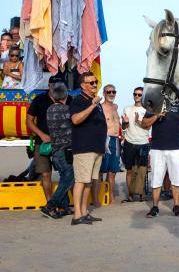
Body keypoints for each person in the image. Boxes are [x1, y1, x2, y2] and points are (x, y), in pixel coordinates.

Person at [141, 99, 179, 218]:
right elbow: (144, 124)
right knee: (156, 179)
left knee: (176, 179)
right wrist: (156, 115)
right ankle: (155, 207)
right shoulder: (154, 103)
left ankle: (176, 206)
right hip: (157, 148)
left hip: (176, 148)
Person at [27, 76, 73, 203]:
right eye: (54, 84)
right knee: (45, 174)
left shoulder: (68, 98)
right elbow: (29, 122)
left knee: (66, 174)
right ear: (49, 85)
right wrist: (41, 134)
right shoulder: (39, 99)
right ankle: (50, 203)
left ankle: (63, 204)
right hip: (42, 142)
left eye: (59, 83)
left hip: (63, 144)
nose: (56, 86)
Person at [69, 72, 106, 225]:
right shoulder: (78, 100)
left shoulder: (95, 102)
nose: (95, 85)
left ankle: (84, 212)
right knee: (81, 181)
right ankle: (77, 215)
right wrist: (92, 106)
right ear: (83, 85)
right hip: (84, 148)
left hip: (96, 148)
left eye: (96, 82)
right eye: (91, 83)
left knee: (89, 182)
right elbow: (75, 119)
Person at [39, 82, 74, 219]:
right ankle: (50, 205)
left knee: (64, 177)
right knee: (69, 177)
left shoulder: (49, 110)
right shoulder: (67, 110)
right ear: (65, 95)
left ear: (53, 97)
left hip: (55, 150)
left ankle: (63, 207)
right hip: (65, 151)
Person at [121, 87, 150, 202]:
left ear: (143, 96)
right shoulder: (127, 109)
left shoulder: (148, 110)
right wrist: (125, 123)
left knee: (142, 170)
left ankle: (142, 194)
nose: (137, 96)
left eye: (139, 94)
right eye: (135, 94)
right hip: (129, 142)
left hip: (143, 143)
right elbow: (123, 127)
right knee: (129, 170)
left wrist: (138, 121)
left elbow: (148, 127)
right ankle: (130, 194)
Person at [97, 84, 121, 205]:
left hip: (116, 140)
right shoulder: (100, 108)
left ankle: (110, 195)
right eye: (109, 92)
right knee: (101, 170)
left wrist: (125, 124)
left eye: (113, 92)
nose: (111, 94)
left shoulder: (116, 107)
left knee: (113, 171)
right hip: (105, 139)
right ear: (104, 94)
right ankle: (100, 196)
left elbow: (118, 125)